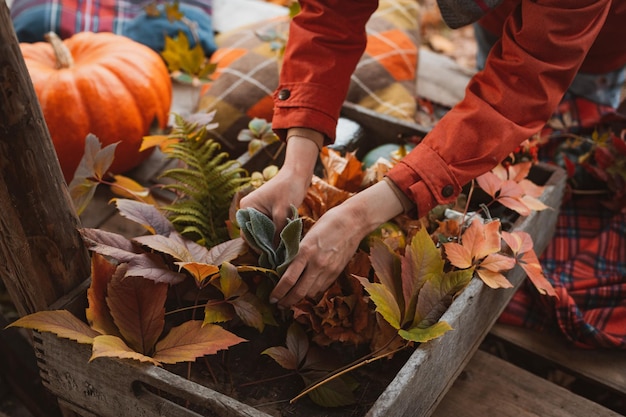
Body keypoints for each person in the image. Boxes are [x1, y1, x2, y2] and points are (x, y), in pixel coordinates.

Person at [239, 0, 626, 308]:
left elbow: (517, 92)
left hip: (591, 42)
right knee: (494, 52)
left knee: (575, 159)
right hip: (500, 14)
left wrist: (359, 216)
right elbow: (330, 16)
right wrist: (296, 167)